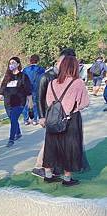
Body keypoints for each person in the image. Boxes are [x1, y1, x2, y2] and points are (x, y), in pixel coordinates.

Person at [42, 55, 90, 186]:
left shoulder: (52, 82)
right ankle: (67, 178)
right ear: (74, 67)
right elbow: (85, 103)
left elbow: (48, 101)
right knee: (70, 146)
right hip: (71, 118)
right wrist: (72, 106)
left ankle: (48, 174)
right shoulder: (78, 82)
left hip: (54, 117)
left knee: (51, 145)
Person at [31, 48, 77, 178]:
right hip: (50, 115)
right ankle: (39, 166)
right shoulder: (46, 76)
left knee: (58, 141)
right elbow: (39, 98)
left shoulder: (66, 76)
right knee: (49, 142)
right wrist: (41, 116)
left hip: (62, 115)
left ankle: (53, 166)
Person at [0, 57, 33, 147]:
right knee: (13, 119)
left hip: (19, 103)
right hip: (8, 103)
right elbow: (2, 90)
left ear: (18, 64)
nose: (11, 64)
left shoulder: (23, 76)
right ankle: (18, 133)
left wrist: (30, 103)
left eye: (13, 62)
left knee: (14, 119)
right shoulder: (7, 77)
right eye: (10, 63)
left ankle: (11, 139)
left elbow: (28, 91)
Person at [22, 54, 45, 125]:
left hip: (27, 88)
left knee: (26, 104)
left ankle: (26, 119)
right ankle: (35, 119)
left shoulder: (25, 70)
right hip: (37, 88)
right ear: (38, 60)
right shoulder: (41, 69)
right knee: (35, 103)